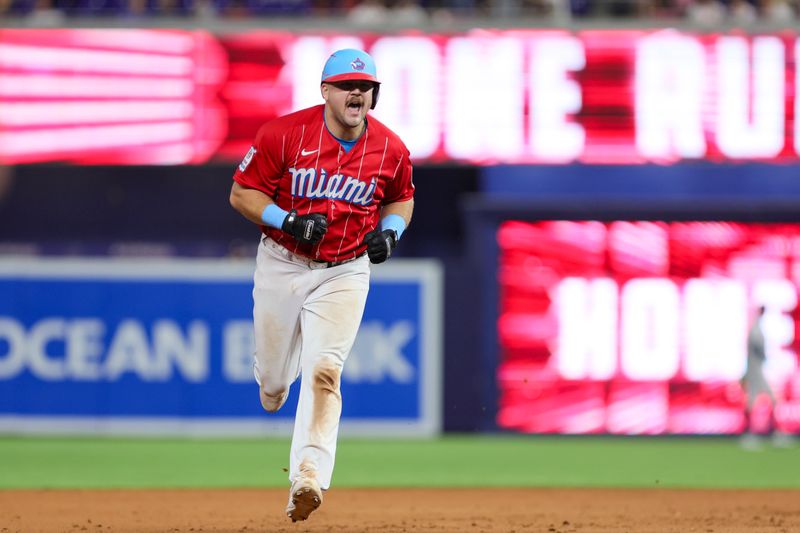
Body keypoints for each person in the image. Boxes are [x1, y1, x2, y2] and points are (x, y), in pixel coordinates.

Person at [228, 48, 415, 522]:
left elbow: (401, 199)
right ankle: (272, 384)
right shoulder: (284, 134)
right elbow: (242, 192)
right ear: (325, 91)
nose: (358, 91)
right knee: (273, 383)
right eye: (347, 84)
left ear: (374, 94)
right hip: (283, 262)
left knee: (325, 369)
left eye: (365, 85)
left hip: (344, 268)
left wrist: (390, 233)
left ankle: (307, 477)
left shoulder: (390, 148)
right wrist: (287, 220)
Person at [740, 305, 776, 447]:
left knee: (772, 400)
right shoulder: (755, 327)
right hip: (754, 372)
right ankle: (748, 434)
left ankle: (773, 432)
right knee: (752, 403)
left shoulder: (758, 326)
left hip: (759, 371)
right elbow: (756, 346)